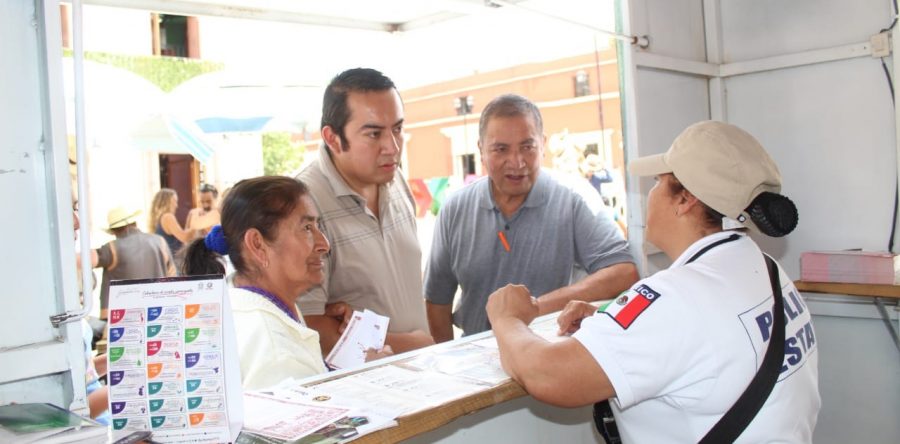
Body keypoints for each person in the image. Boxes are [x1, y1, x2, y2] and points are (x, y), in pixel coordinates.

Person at [486, 121, 819, 442]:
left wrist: (507, 319)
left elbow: (550, 376)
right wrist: (610, 319)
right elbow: (705, 334)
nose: (652, 194)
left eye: (659, 182)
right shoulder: (765, 268)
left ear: (685, 199)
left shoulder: (676, 297)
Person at [424, 94, 639, 340]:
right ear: (481, 150)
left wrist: (537, 308)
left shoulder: (573, 199)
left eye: (527, 147)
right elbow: (437, 301)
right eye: (500, 149)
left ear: (543, 145)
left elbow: (623, 272)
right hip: (475, 364)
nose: (516, 162)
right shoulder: (455, 209)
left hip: (551, 355)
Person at [296, 68, 434, 354]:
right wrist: (415, 345)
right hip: (361, 389)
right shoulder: (304, 204)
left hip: (421, 378)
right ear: (332, 138)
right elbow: (307, 327)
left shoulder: (395, 181)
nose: (393, 146)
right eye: (374, 133)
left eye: (398, 129)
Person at [90, 205, 177, 320]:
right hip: (159, 310)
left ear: (113, 231)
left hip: (123, 316)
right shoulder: (159, 241)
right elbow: (173, 275)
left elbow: (85, 260)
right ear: (134, 223)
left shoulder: (112, 248)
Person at [149, 188, 199, 271]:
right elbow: (185, 237)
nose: (176, 205)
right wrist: (196, 224)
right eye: (174, 201)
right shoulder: (168, 217)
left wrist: (190, 218)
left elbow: (183, 235)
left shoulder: (160, 218)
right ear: (167, 202)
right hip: (174, 261)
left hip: (166, 262)